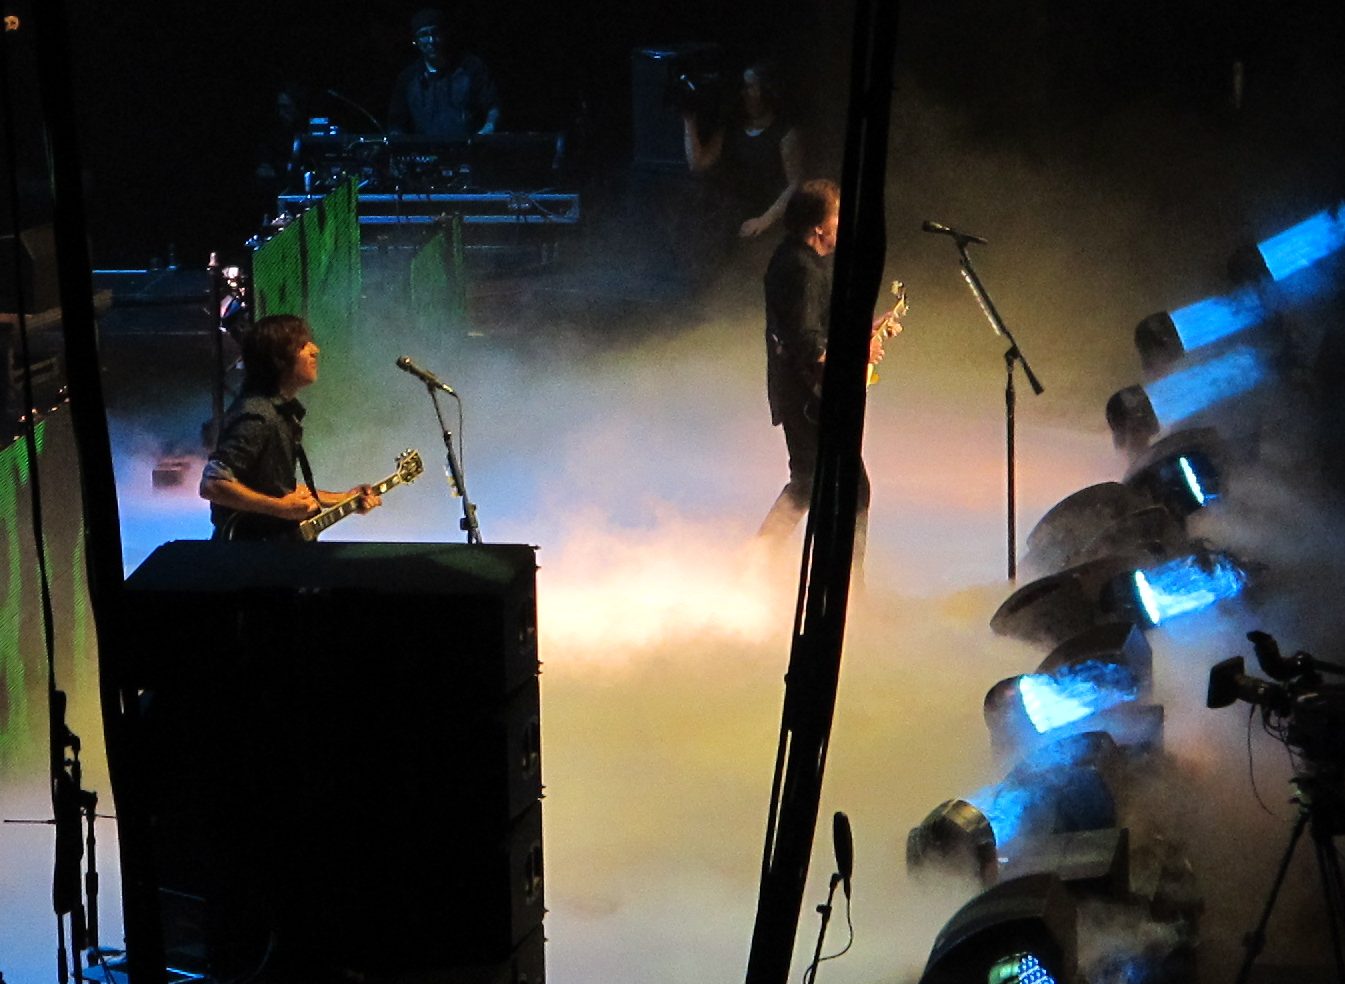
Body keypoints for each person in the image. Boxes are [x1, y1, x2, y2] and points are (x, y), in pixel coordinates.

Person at [757, 179, 885, 566]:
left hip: (801, 392)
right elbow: (808, 344)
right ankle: (849, 585)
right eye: (838, 217)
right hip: (807, 396)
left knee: (809, 483)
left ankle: (755, 561)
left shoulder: (798, 261)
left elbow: (811, 330)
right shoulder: (802, 270)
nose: (843, 224)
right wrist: (859, 352)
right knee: (846, 489)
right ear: (819, 227)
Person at [200, 314, 380, 540]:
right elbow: (212, 484)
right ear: (279, 359)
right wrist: (280, 508)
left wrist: (345, 499)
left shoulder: (278, 412)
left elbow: (277, 489)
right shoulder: (258, 415)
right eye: (303, 345)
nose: (315, 350)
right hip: (251, 554)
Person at [682, 61, 803, 241]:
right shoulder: (732, 127)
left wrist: (764, 221)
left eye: (750, 87)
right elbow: (698, 164)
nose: (744, 93)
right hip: (730, 216)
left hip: (762, 220)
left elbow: (795, 184)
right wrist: (689, 122)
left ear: (767, 91)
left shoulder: (784, 133)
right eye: (744, 87)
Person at [387, 7, 500, 139]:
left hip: (468, 148)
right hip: (425, 150)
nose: (431, 41)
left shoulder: (471, 67)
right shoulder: (408, 78)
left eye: (435, 33)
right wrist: (397, 139)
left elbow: (493, 106)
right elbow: (396, 122)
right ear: (416, 41)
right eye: (424, 35)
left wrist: (486, 131)